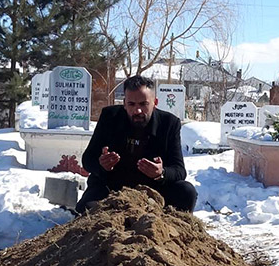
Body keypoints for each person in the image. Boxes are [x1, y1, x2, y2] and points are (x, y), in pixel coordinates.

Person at [78, 75, 197, 213]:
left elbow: (179, 170)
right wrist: (102, 165)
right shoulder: (110, 117)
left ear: (155, 102)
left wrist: (161, 173)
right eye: (131, 104)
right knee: (87, 208)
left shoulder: (169, 124)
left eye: (143, 104)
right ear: (124, 103)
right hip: (113, 189)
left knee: (186, 191)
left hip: (154, 193)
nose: (137, 111)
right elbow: (87, 160)